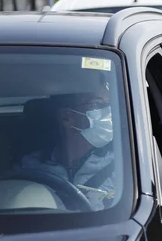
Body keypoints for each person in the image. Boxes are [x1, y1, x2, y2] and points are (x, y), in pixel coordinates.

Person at [19, 82, 115, 210]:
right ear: (67, 117)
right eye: (97, 104)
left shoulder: (122, 168)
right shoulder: (30, 167)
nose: (109, 112)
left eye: (110, 104)